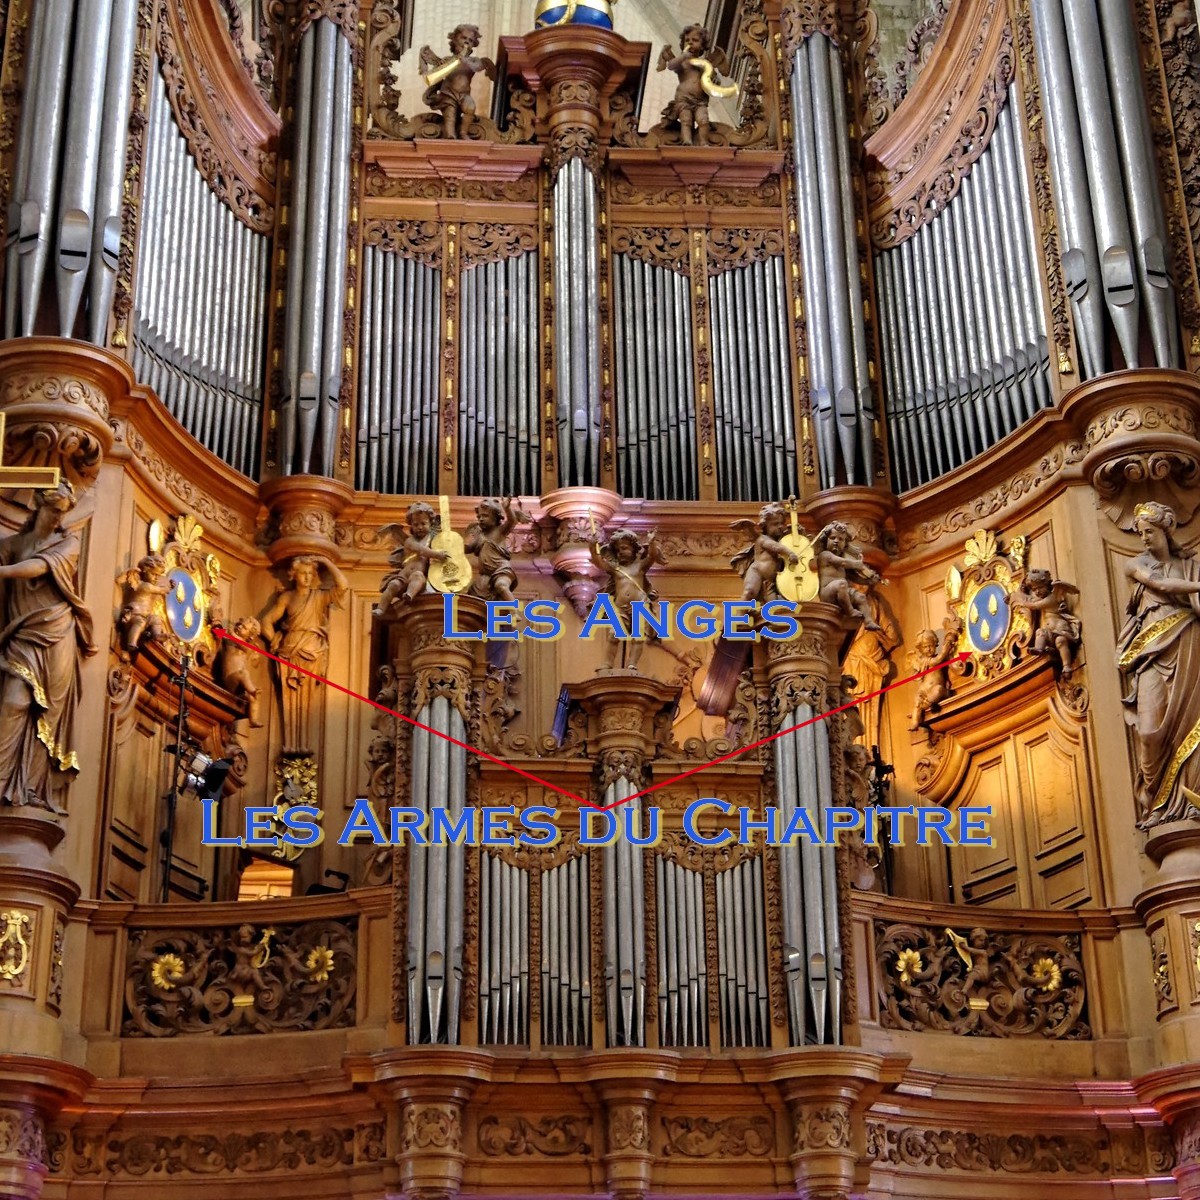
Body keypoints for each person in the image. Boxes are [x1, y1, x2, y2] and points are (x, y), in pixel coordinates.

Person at [0, 481, 96, 811]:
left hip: (56, 631)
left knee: (43, 715)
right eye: (54, 509)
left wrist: (2, 571)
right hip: (22, 633)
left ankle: (27, 787)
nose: (58, 517)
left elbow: (39, 567)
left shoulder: (68, 543)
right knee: (12, 701)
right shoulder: (13, 543)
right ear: (40, 504)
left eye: (63, 512)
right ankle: (3, 781)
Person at [1116, 502, 1200, 826]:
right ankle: (1157, 804)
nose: (1145, 539)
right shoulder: (1134, 563)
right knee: (1150, 732)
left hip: (1189, 643)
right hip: (1152, 651)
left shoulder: (1189, 566)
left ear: (1164, 530)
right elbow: (1162, 585)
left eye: (1149, 532)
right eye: (1140, 533)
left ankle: (1189, 801)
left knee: (1193, 728)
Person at [261, 555, 348, 755]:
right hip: (289, 650)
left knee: (307, 699)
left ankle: (302, 744)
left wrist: (326, 562)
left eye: (311, 574)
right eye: (303, 573)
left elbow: (342, 585)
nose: (307, 578)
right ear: (294, 575)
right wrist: (274, 639)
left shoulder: (318, 596)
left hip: (312, 650)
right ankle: (290, 744)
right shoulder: (287, 598)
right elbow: (266, 621)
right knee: (289, 701)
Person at [590, 529, 666, 673]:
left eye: (624, 548)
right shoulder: (616, 569)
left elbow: (652, 556)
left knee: (638, 636)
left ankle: (632, 664)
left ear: (634, 548)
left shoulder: (640, 566)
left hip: (639, 606)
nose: (620, 552)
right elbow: (598, 562)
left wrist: (651, 542)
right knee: (613, 635)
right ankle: (607, 664)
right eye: (618, 550)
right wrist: (592, 547)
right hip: (620, 607)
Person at [656, 25, 735, 147]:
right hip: (683, 99)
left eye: (695, 40)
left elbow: (715, 81)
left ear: (703, 45)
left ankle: (703, 142)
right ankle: (686, 141)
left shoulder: (705, 64)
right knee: (686, 120)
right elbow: (671, 65)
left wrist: (714, 79)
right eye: (687, 40)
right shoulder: (683, 62)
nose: (690, 43)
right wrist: (683, 56)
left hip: (700, 101)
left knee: (703, 120)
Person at [420, 25, 496, 140]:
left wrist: (464, 60)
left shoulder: (473, 60)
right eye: (463, 38)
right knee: (450, 116)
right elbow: (436, 72)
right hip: (448, 94)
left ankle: (463, 133)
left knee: (470, 107)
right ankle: (450, 136)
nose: (466, 42)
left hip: (464, 94)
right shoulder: (447, 60)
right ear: (454, 40)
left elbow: (478, 67)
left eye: (470, 40)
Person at [374, 503, 449, 616]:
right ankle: (381, 608)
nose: (419, 527)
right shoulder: (409, 541)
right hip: (403, 574)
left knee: (418, 577)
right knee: (393, 585)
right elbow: (421, 550)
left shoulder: (433, 541)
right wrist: (437, 554)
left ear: (431, 523)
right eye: (416, 524)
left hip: (418, 574)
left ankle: (409, 594)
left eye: (423, 523)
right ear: (411, 526)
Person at [813, 521, 882, 631]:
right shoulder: (825, 555)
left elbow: (853, 577)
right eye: (832, 538)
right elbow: (843, 563)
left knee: (861, 597)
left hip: (842, 591)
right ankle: (850, 611)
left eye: (840, 539)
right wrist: (857, 564)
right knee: (842, 583)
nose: (836, 541)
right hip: (828, 593)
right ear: (825, 540)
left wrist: (868, 581)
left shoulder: (843, 560)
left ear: (845, 544)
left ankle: (868, 621)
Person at [730, 503, 799, 603]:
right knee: (749, 592)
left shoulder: (784, 541)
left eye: (782, 523)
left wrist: (799, 534)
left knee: (774, 605)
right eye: (775, 524)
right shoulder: (762, 539)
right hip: (757, 572)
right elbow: (774, 546)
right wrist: (789, 553)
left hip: (772, 581)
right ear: (765, 526)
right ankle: (740, 616)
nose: (780, 527)